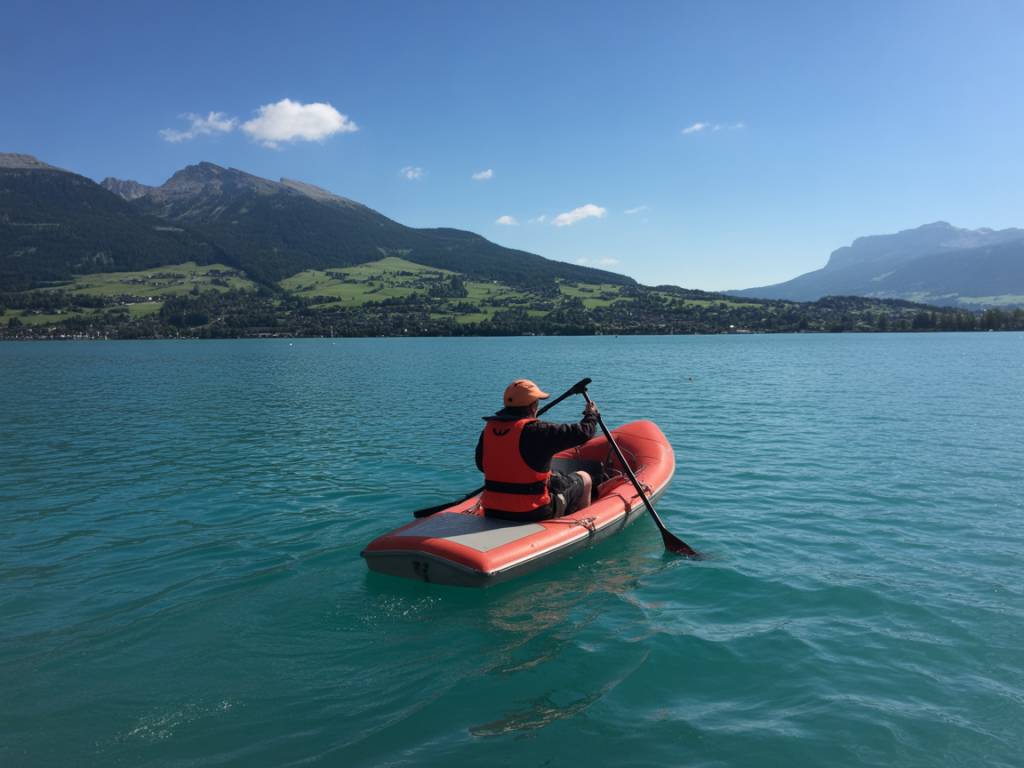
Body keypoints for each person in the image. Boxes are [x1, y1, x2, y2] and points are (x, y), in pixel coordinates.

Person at [475, 379, 600, 522]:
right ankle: (579, 524)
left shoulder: (489, 430)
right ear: (533, 406)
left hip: (493, 510)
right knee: (585, 478)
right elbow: (584, 433)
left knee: (553, 478)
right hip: (534, 511)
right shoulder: (539, 431)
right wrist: (591, 415)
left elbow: (481, 465)